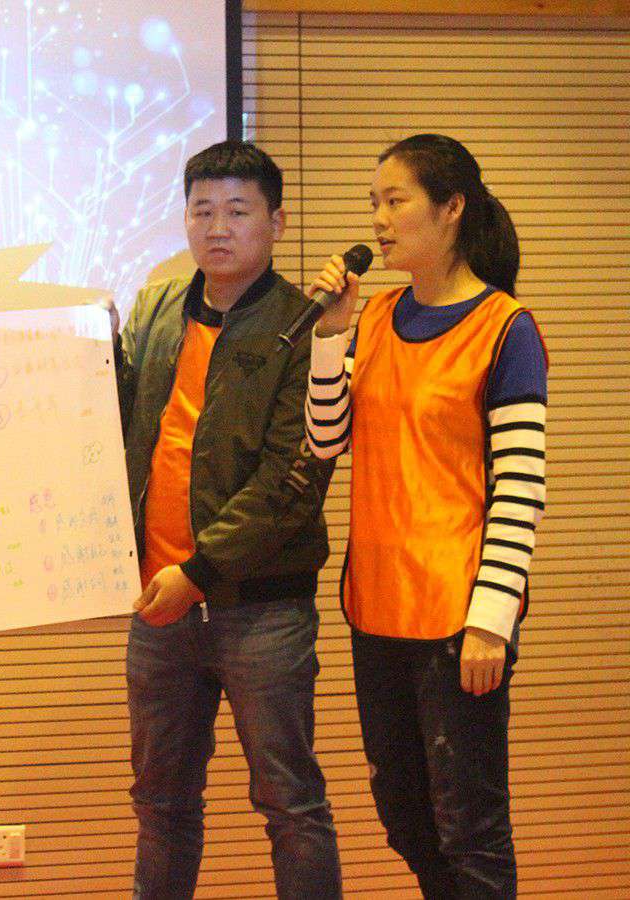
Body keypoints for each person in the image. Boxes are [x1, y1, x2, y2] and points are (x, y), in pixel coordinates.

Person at [304, 134, 548, 898]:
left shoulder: (505, 327)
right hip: (377, 605)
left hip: (458, 615)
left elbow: (520, 487)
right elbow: (326, 439)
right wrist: (329, 334)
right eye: (373, 203)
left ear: (451, 208)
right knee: (404, 815)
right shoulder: (376, 316)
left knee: (470, 830)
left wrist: (492, 621)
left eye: (395, 200)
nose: (378, 220)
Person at [115, 140, 342, 899]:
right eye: (202, 210)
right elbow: (110, 425)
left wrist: (199, 571)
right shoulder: (155, 311)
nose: (217, 228)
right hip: (159, 607)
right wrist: (87, 355)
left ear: (276, 223)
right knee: (160, 805)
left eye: (238, 211)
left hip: (261, 610)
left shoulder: (304, 326)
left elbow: (293, 481)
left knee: (291, 807)